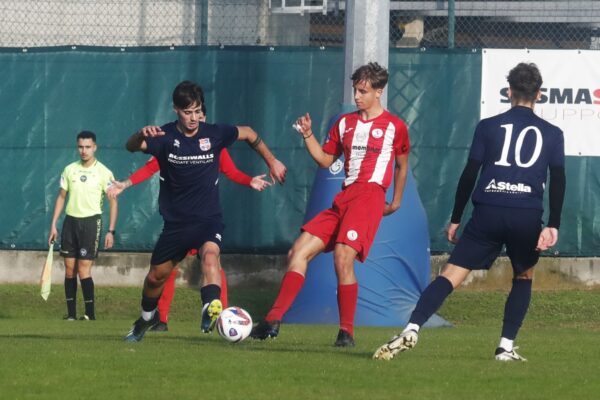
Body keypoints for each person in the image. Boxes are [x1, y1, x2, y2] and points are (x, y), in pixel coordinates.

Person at [373, 62, 566, 361]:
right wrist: (552, 224)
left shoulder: (488, 127)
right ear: (539, 94)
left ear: (509, 91)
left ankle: (412, 327)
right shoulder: (552, 133)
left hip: (487, 210)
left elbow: (470, 174)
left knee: (450, 274)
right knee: (523, 276)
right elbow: (559, 180)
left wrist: (455, 218)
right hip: (526, 214)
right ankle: (505, 347)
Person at [250, 62, 410, 347]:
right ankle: (272, 321)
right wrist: (308, 134)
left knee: (342, 257)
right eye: (355, 90)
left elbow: (401, 165)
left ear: (379, 92)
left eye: (363, 91)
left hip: (369, 196)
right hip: (344, 197)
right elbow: (326, 160)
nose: (357, 96)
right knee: (297, 251)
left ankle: (346, 332)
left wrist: (395, 201)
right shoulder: (345, 123)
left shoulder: (395, 127)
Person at [123, 80, 286, 342]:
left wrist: (272, 160)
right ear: (176, 109)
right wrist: (141, 133)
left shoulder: (214, 134)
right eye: (188, 112)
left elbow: (248, 133)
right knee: (155, 278)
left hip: (208, 220)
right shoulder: (163, 137)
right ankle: (146, 319)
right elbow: (131, 146)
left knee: (211, 257)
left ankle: (210, 307)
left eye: (198, 111)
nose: (194, 117)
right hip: (175, 225)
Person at [48, 130, 118, 321]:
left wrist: (110, 231)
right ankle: (71, 315)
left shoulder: (104, 172)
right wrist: (53, 224)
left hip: (90, 223)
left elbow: (113, 203)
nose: (84, 151)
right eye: (80, 147)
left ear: (94, 147)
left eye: (88, 147)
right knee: (69, 269)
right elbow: (61, 197)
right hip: (70, 222)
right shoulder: (69, 169)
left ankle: (89, 314)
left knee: (83, 270)